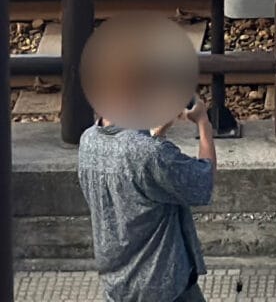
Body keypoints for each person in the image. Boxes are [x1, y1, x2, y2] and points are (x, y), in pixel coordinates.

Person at [78, 32, 217, 302]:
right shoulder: (149, 154)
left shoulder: (88, 141)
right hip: (164, 286)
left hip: (117, 284)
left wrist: (157, 133)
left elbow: (134, 179)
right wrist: (203, 124)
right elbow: (204, 182)